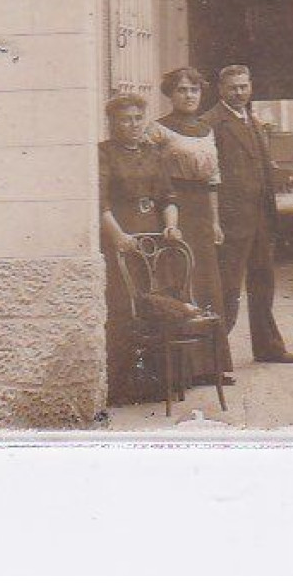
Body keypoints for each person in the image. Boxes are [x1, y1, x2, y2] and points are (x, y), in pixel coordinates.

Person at [202, 65, 293, 365]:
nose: (239, 92)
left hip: (260, 216)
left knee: (263, 282)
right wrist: (215, 220)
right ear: (220, 89)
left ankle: (268, 347)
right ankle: (215, 358)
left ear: (251, 87)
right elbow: (210, 176)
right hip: (232, 219)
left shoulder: (253, 121)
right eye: (232, 87)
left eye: (244, 86)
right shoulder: (212, 123)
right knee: (228, 287)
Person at [97, 92, 182, 406]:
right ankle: (121, 387)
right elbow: (101, 202)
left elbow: (168, 197)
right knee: (123, 309)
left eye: (137, 119)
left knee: (158, 305)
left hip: (155, 243)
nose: (132, 125)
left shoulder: (154, 153)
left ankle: (159, 384)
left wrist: (171, 225)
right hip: (122, 240)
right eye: (124, 119)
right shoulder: (104, 154)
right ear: (112, 123)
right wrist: (118, 236)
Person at [154, 66, 234, 387]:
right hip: (175, 209)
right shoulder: (158, 130)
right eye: (182, 90)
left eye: (194, 90)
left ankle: (210, 367)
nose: (189, 96)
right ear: (170, 94)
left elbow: (213, 179)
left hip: (202, 213)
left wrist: (215, 221)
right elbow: (153, 178)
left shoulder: (206, 129)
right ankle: (183, 369)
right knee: (181, 282)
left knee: (207, 285)